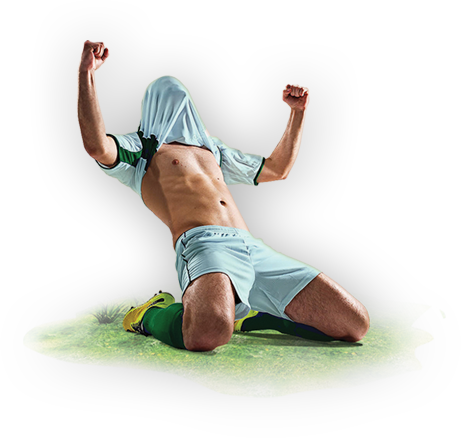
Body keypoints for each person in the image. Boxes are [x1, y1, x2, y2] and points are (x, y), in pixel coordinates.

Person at [77, 40, 370, 352]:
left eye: (181, 97)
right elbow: (97, 146)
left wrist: (298, 113)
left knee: (355, 323)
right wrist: (86, 74)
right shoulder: (142, 148)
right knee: (207, 333)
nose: (175, 101)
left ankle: (251, 317)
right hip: (204, 244)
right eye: (163, 95)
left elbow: (277, 169)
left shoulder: (214, 149)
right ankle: (149, 314)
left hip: (252, 246)